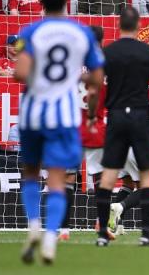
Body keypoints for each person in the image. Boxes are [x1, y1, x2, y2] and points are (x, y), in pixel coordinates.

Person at [14, 0, 104, 264]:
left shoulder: (29, 32)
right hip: (63, 115)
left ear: (39, 1)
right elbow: (98, 78)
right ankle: (51, 237)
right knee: (57, 177)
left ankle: (33, 225)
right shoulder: (81, 33)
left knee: (30, 172)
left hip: (32, 112)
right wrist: (75, 77)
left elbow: (20, 73)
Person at [94, 6, 149, 248]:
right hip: (139, 117)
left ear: (119, 26)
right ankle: (146, 233)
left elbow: (95, 86)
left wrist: (95, 113)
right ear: (138, 26)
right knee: (147, 176)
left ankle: (103, 234)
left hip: (115, 117)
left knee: (109, 176)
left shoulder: (109, 52)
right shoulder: (148, 52)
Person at [108, 66, 149, 235]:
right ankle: (120, 207)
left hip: (119, 139)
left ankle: (117, 226)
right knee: (147, 186)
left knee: (128, 183)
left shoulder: (136, 87)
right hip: (140, 141)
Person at [58, 26, 111, 242]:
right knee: (99, 178)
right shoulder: (105, 65)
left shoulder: (71, 63)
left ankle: (63, 229)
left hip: (72, 128)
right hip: (96, 127)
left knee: (68, 177)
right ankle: (101, 224)